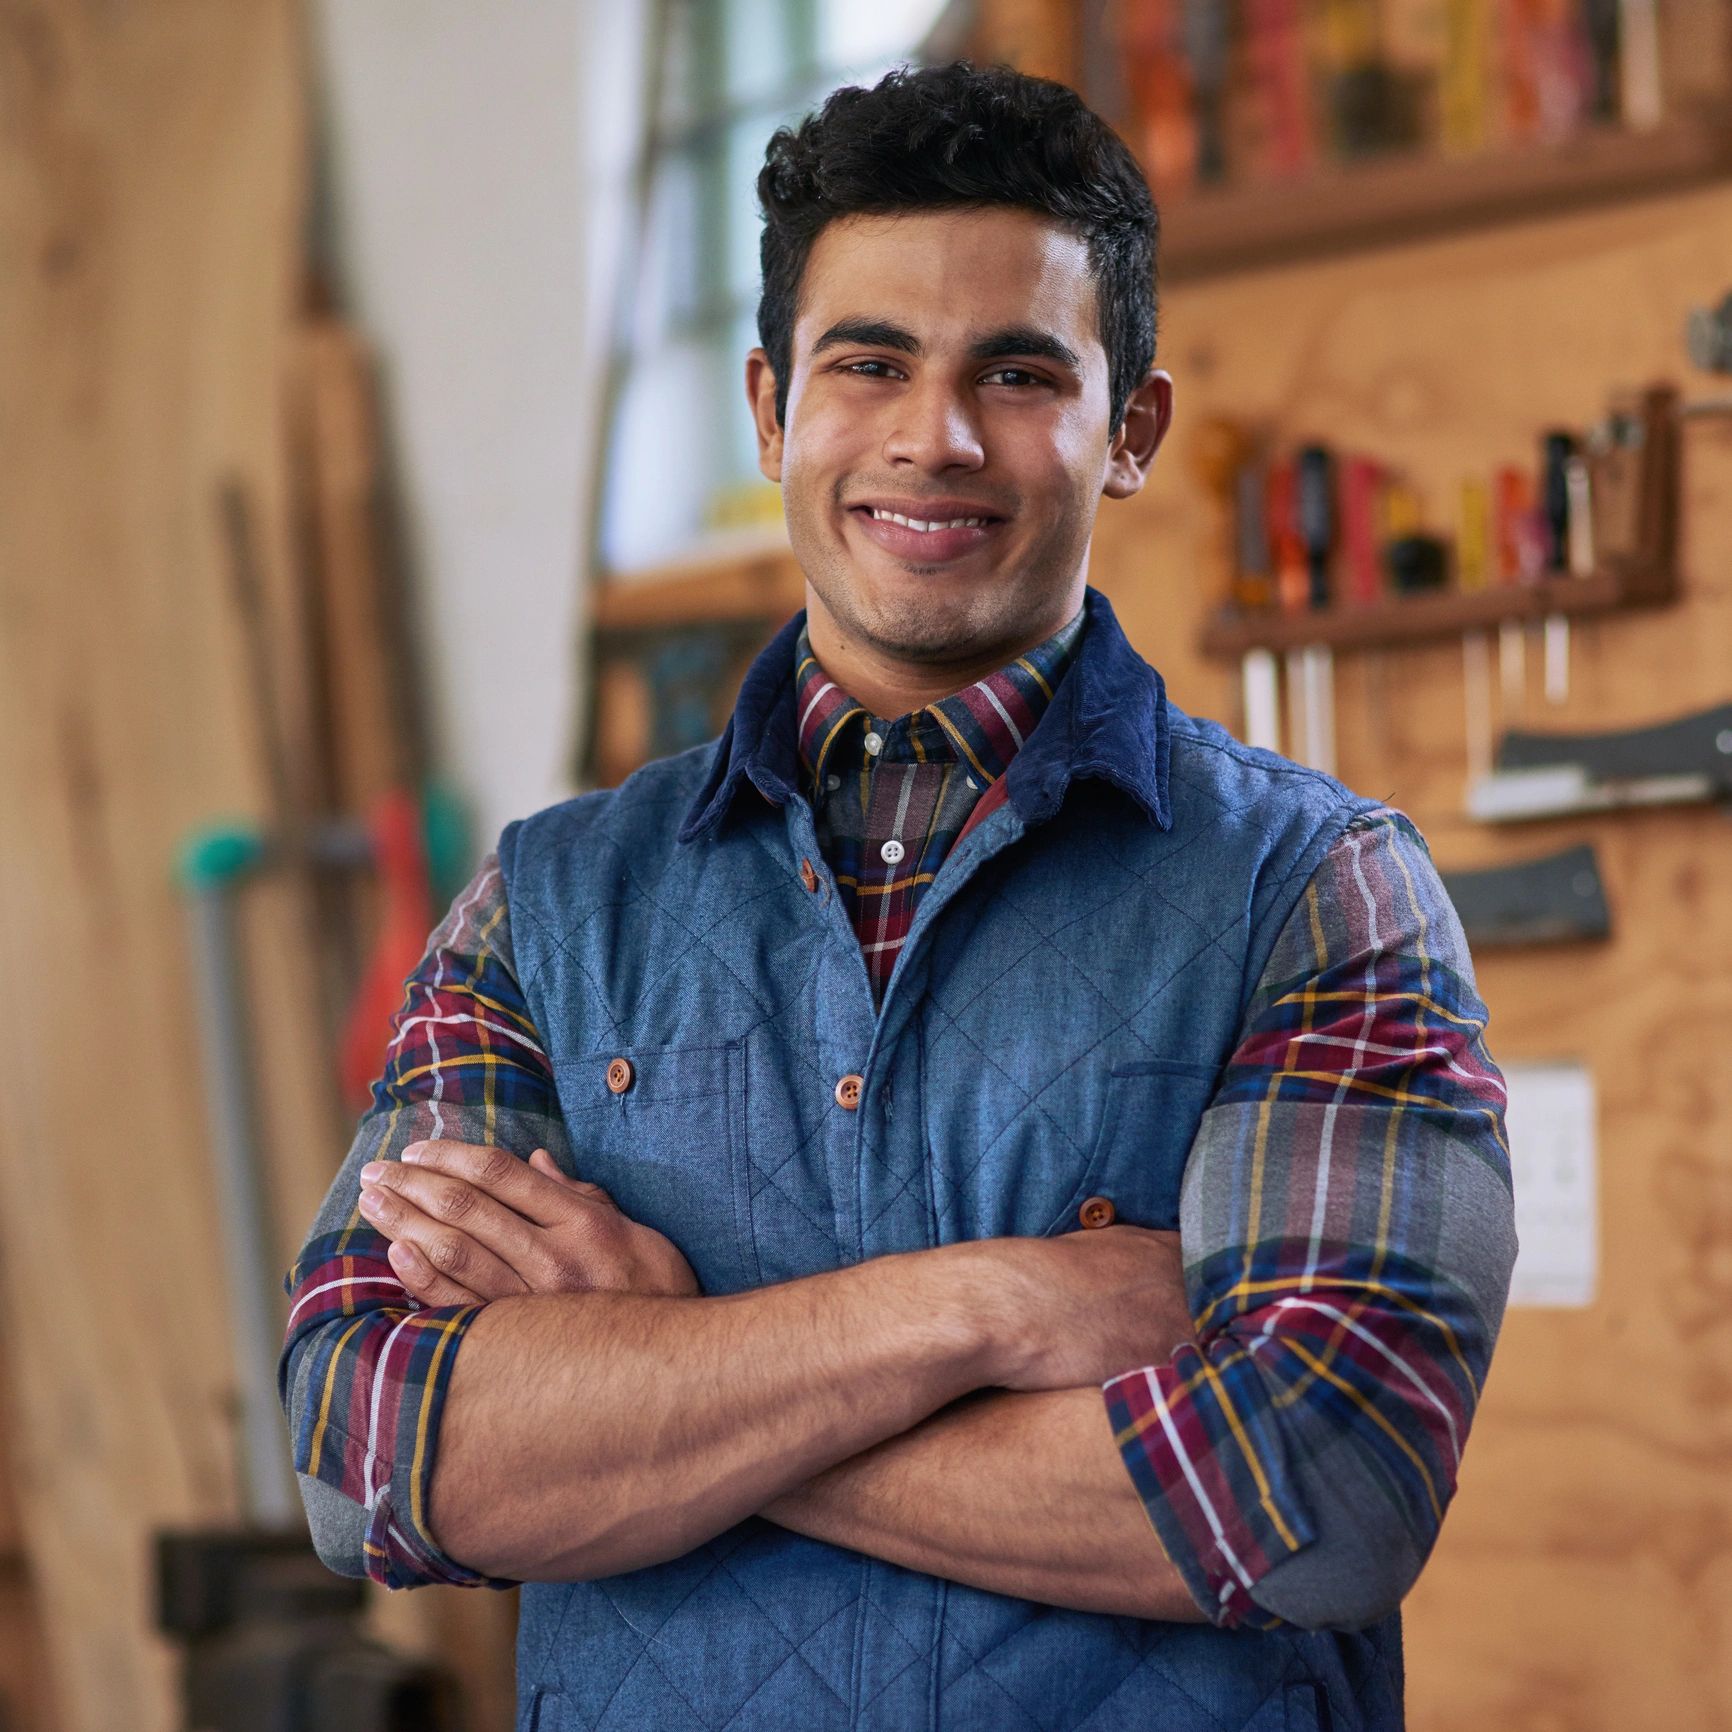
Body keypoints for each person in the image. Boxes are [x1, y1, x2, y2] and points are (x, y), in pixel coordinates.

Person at [279, 61, 1517, 1732]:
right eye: (869, 363)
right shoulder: (551, 906)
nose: (936, 437)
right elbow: (367, 1451)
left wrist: (660, 1375)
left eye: (1018, 371)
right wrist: (992, 1308)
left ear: (1131, 430)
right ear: (771, 409)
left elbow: (1319, 1490)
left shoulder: (1315, 889)